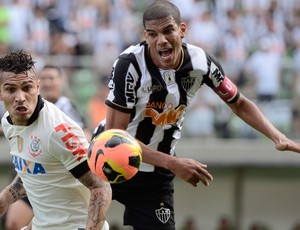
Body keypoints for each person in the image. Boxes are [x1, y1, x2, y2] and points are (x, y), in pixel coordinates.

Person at [93, 1, 300, 229]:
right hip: (106, 161)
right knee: (77, 222)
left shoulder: (201, 62)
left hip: (155, 176)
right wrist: (173, 163)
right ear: (145, 36)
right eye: (153, 34)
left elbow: (238, 102)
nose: (161, 40)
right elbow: (114, 137)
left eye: (168, 30)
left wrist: (276, 135)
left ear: (182, 30)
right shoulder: (129, 65)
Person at [0, 50, 112, 230]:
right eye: (10, 89)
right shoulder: (8, 123)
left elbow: (101, 187)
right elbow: (32, 171)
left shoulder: (58, 131)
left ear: (37, 87)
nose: (20, 98)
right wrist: (5, 199)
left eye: (27, 88)